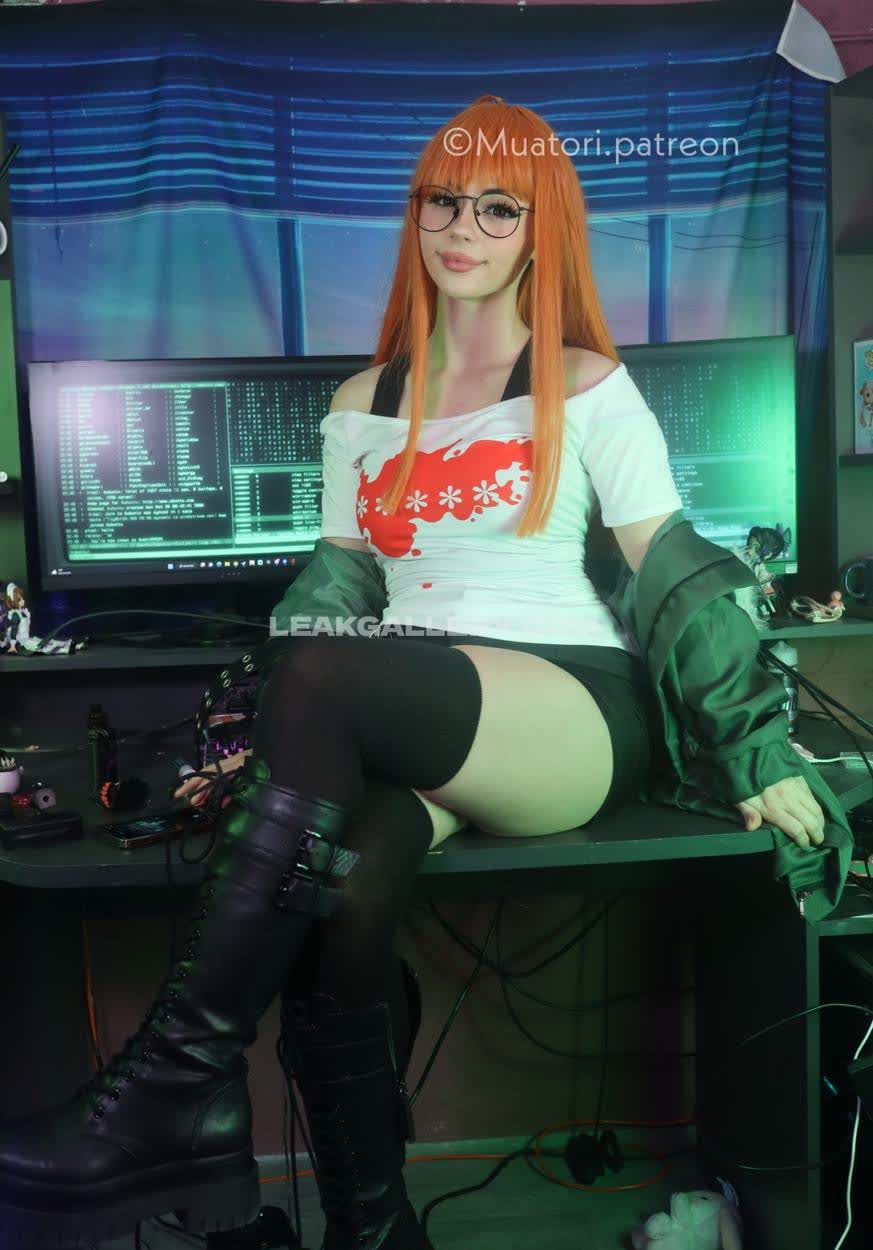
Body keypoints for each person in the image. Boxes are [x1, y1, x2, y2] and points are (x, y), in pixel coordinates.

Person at [0, 93, 827, 1250]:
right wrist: (253, 747)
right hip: (412, 701)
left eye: (497, 208)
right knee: (341, 893)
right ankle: (376, 1227)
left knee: (327, 678)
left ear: (539, 231)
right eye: (444, 200)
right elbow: (335, 593)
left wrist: (756, 744)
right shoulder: (363, 403)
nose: (462, 228)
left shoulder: (587, 383)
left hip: (565, 704)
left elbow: (675, 569)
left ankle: (171, 1088)